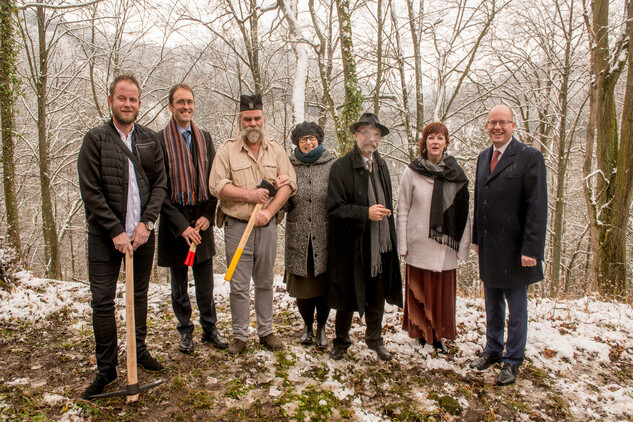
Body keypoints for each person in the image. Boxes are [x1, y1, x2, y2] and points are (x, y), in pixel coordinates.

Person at [78, 74, 167, 399]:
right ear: (111, 100)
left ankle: (138, 350)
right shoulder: (96, 139)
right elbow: (91, 191)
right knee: (102, 302)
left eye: (133, 99)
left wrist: (146, 222)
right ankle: (107, 369)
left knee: (139, 295)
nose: (127, 104)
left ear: (139, 104)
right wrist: (115, 230)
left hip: (142, 236)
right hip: (105, 238)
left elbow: (160, 184)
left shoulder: (148, 139)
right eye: (122, 98)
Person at [209, 93, 296, 355]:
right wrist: (250, 195)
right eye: (247, 119)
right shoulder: (227, 150)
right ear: (240, 121)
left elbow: (290, 183)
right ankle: (239, 336)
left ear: (263, 119)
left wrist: (268, 212)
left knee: (265, 281)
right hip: (237, 227)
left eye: (257, 118)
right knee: (238, 283)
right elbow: (216, 185)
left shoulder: (275, 149)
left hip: (267, 227)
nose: (253, 123)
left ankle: (266, 331)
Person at [470, 104, 547, 386]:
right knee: (492, 305)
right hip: (490, 246)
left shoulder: (529, 157)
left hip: (517, 248)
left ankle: (512, 360)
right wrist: (477, 237)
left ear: (513, 125)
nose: (497, 128)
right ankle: (492, 350)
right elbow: (480, 201)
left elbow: (537, 206)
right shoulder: (483, 157)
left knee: (516, 308)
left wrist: (532, 249)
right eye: (492, 123)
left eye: (503, 122)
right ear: (487, 126)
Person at [157, 84, 228, 355]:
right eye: (180, 102)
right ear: (171, 106)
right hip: (176, 223)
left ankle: (210, 328)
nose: (185, 106)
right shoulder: (159, 140)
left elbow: (213, 180)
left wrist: (208, 216)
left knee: (206, 282)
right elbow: (159, 190)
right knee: (179, 284)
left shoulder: (205, 137)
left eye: (189, 101)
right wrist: (181, 226)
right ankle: (185, 331)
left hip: (200, 221)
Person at [326, 112, 403, 362]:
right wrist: (365, 213)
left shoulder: (382, 165)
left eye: (376, 135)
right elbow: (334, 209)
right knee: (348, 296)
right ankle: (341, 341)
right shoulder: (340, 167)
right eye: (366, 134)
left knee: (377, 294)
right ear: (356, 136)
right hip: (351, 245)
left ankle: (374, 339)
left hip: (379, 244)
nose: (371, 139)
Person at [396, 122, 471, 354]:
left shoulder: (456, 175)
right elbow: (402, 208)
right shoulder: (412, 172)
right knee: (420, 288)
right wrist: (402, 243)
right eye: (431, 138)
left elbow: (464, 214)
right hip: (418, 243)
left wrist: (463, 248)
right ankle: (420, 333)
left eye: (440, 138)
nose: (435, 142)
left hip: (445, 247)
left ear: (446, 142)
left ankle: (438, 335)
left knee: (440, 292)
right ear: (424, 142)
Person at [283, 121, 335, 348]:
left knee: (324, 286)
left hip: (325, 235)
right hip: (299, 235)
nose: (308, 142)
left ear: (319, 140)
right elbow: (283, 201)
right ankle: (306, 326)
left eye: (312, 138)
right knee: (303, 287)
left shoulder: (332, 164)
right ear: (297, 143)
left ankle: (322, 327)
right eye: (303, 139)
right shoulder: (288, 165)